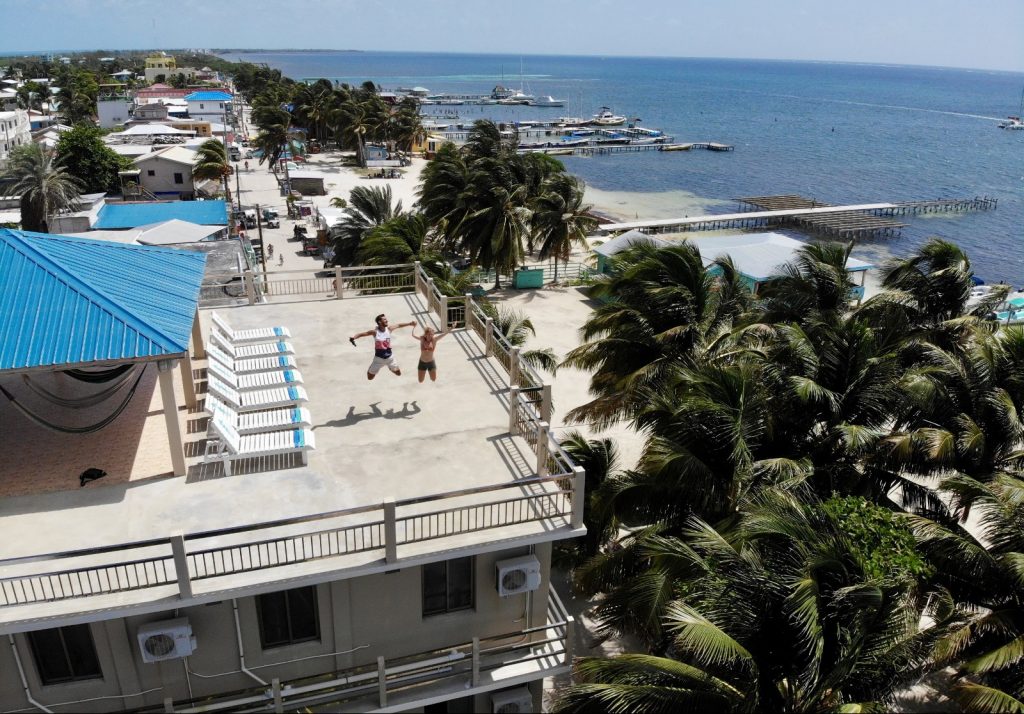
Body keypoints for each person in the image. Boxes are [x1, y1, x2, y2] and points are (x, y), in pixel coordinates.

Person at [350, 314, 416, 380]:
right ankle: (371, 368)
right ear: (379, 322)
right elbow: (362, 334)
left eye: (386, 319)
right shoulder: (375, 332)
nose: (387, 320)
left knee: (398, 373)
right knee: (370, 377)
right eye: (384, 319)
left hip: (390, 358)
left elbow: (398, 325)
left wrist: (410, 323)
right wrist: (354, 337)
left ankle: (390, 367)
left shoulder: (389, 329)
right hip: (378, 359)